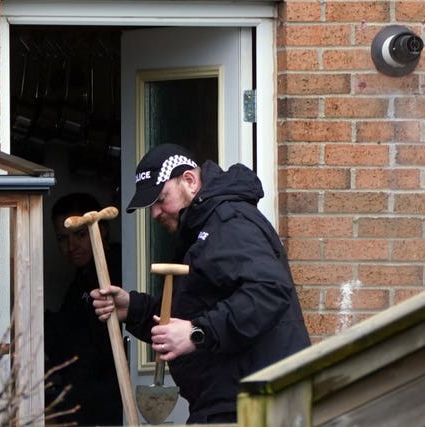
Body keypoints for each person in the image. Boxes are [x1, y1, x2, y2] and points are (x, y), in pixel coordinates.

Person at [91, 144, 311, 424]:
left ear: (190, 181)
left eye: (160, 199)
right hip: (232, 403)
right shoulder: (204, 230)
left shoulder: (229, 222)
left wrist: (197, 333)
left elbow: (268, 290)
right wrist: (133, 309)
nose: (155, 213)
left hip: (253, 407)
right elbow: (193, 313)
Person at [45, 192, 123, 426]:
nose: (71, 246)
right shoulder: (79, 282)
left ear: (102, 230)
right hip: (87, 400)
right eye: (62, 238)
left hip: (110, 404)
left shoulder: (120, 270)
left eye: (80, 235)